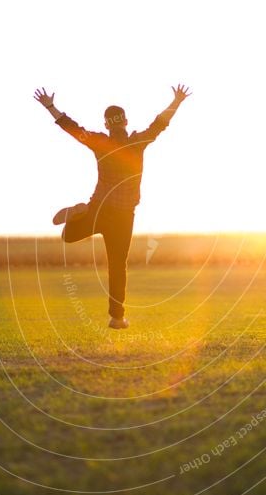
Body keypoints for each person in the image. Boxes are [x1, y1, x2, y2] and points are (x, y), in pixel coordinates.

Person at [34, 84, 191, 329]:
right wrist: (177, 101)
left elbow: (74, 130)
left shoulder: (100, 143)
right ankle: (117, 318)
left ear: (107, 125)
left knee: (68, 235)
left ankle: (77, 212)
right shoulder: (137, 142)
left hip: (98, 208)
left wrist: (50, 107)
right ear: (125, 121)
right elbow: (160, 124)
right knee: (118, 265)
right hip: (124, 215)